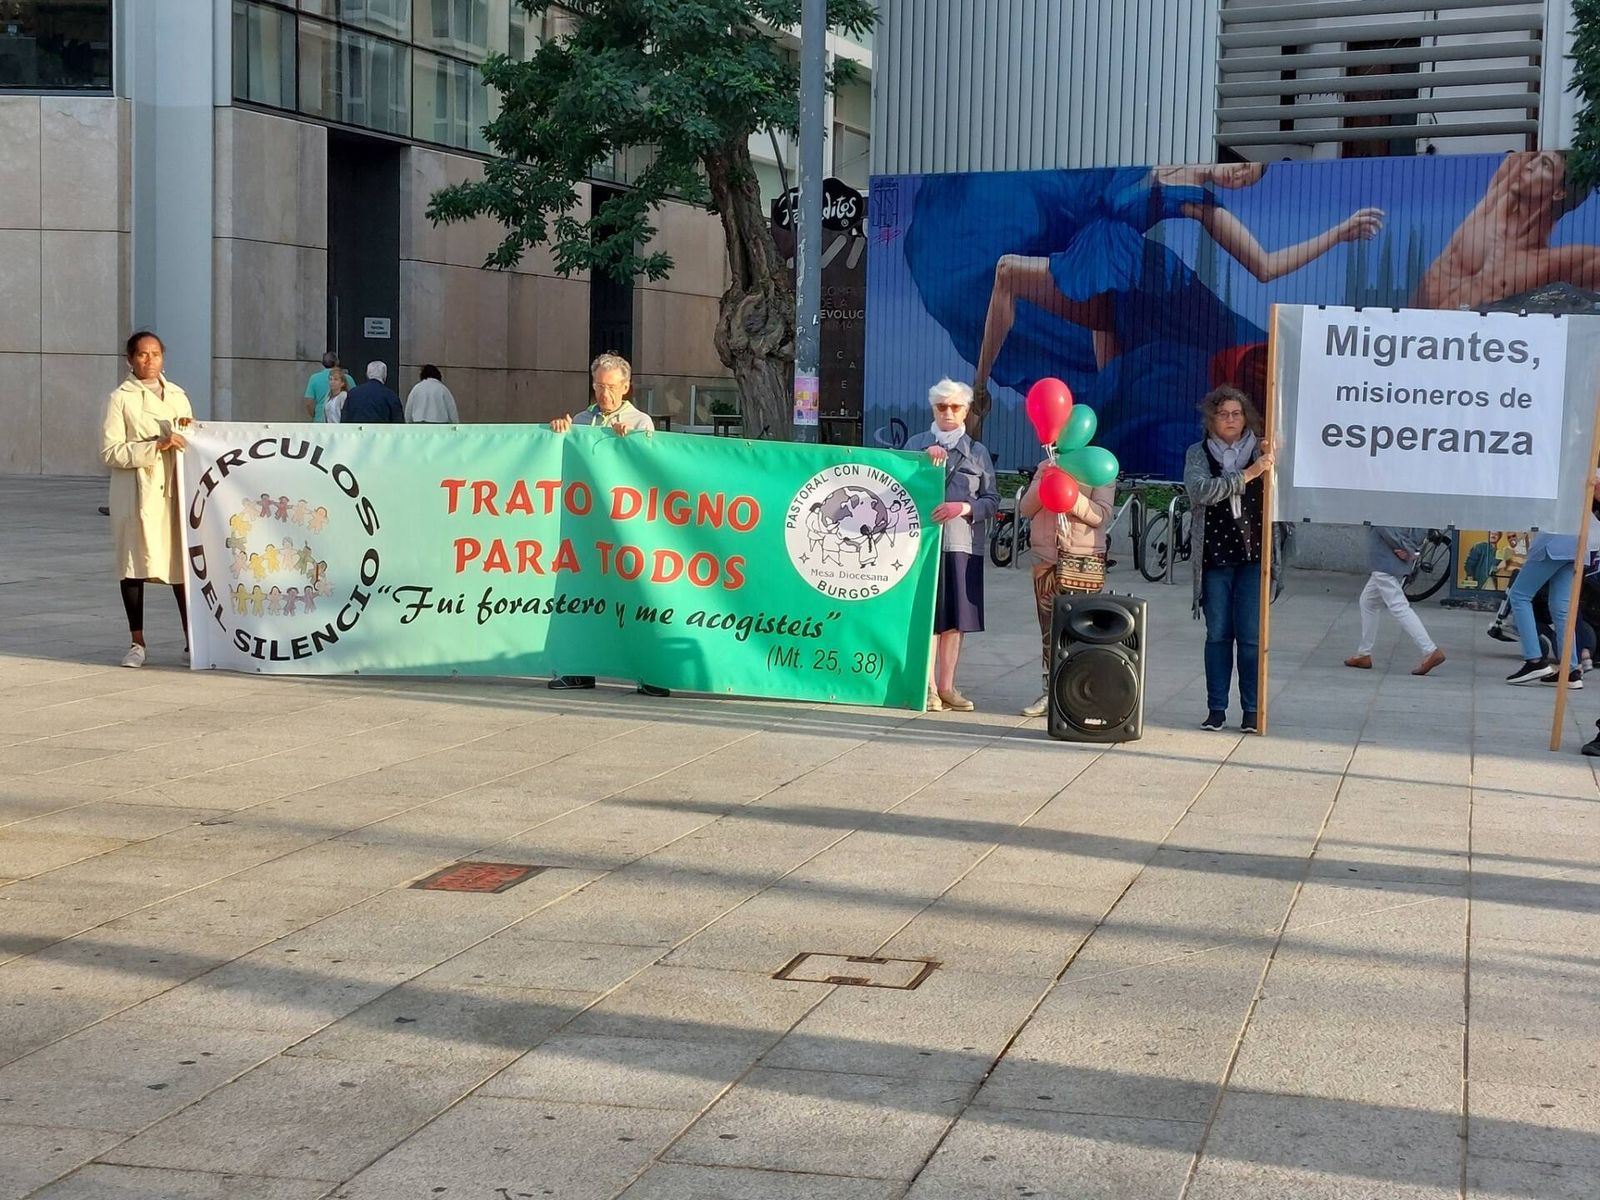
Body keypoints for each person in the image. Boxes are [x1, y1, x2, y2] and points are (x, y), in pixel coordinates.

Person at [905, 163, 1382, 433]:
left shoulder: (1199, 199)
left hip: (1132, 280)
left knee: (1008, 272)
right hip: (1091, 260)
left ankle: (981, 392)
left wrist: (1338, 233)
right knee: (1110, 398)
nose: (1238, 176)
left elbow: (1265, 266)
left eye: (1245, 180)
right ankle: (985, 397)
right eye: (1242, 167)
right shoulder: (1152, 159)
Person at [547, 352, 666, 696]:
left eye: (611, 387)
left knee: (636, 598)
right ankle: (580, 670)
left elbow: (652, 470)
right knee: (584, 597)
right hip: (588, 526)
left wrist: (630, 445)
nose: (604, 394)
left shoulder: (640, 422)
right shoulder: (583, 420)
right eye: (599, 386)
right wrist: (561, 433)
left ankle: (650, 673)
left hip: (628, 526)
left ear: (626, 387)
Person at [905, 379, 1000, 712]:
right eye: (941, 406)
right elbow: (896, 489)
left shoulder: (978, 452)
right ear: (932, 409)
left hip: (962, 545)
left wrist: (964, 508)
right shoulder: (916, 444)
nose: (948, 412)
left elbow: (992, 498)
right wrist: (921, 460)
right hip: (922, 545)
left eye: (955, 407)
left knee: (957, 620)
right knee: (929, 618)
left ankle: (947, 686)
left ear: (967, 411)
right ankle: (927, 686)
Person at [1184, 385, 1274, 732]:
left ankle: (1252, 710)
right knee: (1218, 634)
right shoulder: (1198, 453)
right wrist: (1249, 475)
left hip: (1253, 555)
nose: (1231, 420)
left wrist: (1268, 462)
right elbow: (1200, 491)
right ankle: (1216, 708)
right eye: (1223, 414)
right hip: (1215, 556)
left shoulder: (1265, 450)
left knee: (1250, 637)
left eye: (1237, 413)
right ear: (1211, 419)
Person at [101, 331, 192, 668]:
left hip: (172, 489)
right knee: (133, 565)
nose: (149, 360)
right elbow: (110, 451)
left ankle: (191, 638)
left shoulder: (179, 396)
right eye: (142, 354)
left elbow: (194, 437)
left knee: (180, 565)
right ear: (130, 359)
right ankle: (137, 641)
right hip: (136, 492)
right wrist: (154, 446)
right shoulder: (120, 398)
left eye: (155, 354)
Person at [1415, 151, 1599, 310]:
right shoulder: (1496, 200)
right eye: (1534, 159)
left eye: (1545, 165)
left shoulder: (1544, 263)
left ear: (1559, 193)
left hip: (1462, 340)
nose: (1529, 166)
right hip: (1409, 334)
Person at [1016, 465, 1114, 718]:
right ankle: (1049, 692)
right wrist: (1046, 480)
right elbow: (1026, 508)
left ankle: (1080, 695)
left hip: (1083, 559)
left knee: (1082, 631)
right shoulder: (1047, 464)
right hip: (1045, 558)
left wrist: (1067, 494)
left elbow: (1101, 515)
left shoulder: (1098, 465)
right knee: (1049, 630)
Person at [1505, 489, 1600, 688]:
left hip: (1556, 535)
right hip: (1580, 540)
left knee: (1519, 595)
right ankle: (1571, 670)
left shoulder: (1568, 462)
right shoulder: (1588, 463)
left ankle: (1534, 660)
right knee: (1561, 607)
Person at [1344, 527, 1446, 676]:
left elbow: (1383, 526)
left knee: (1399, 606)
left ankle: (1430, 650)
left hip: (1385, 560)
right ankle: (1363, 654)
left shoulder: (1386, 505)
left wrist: (1407, 548)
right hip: (1395, 560)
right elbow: (1420, 525)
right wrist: (1411, 549)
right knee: (1368, 602)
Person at [340, 362, 404, 424]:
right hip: (381, 433)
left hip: (357, 433)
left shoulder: (353, 393)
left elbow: (344, 420)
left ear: (367, 374)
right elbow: (398, 424)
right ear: (385, 375)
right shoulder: (390, 396)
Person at [303, 351, 338, 421]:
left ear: (322, 363)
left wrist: (315, 415)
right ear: (337, 362)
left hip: (320, 418)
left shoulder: (314, 378)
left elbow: (309, 402)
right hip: (339, 418)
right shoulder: (346, 378)